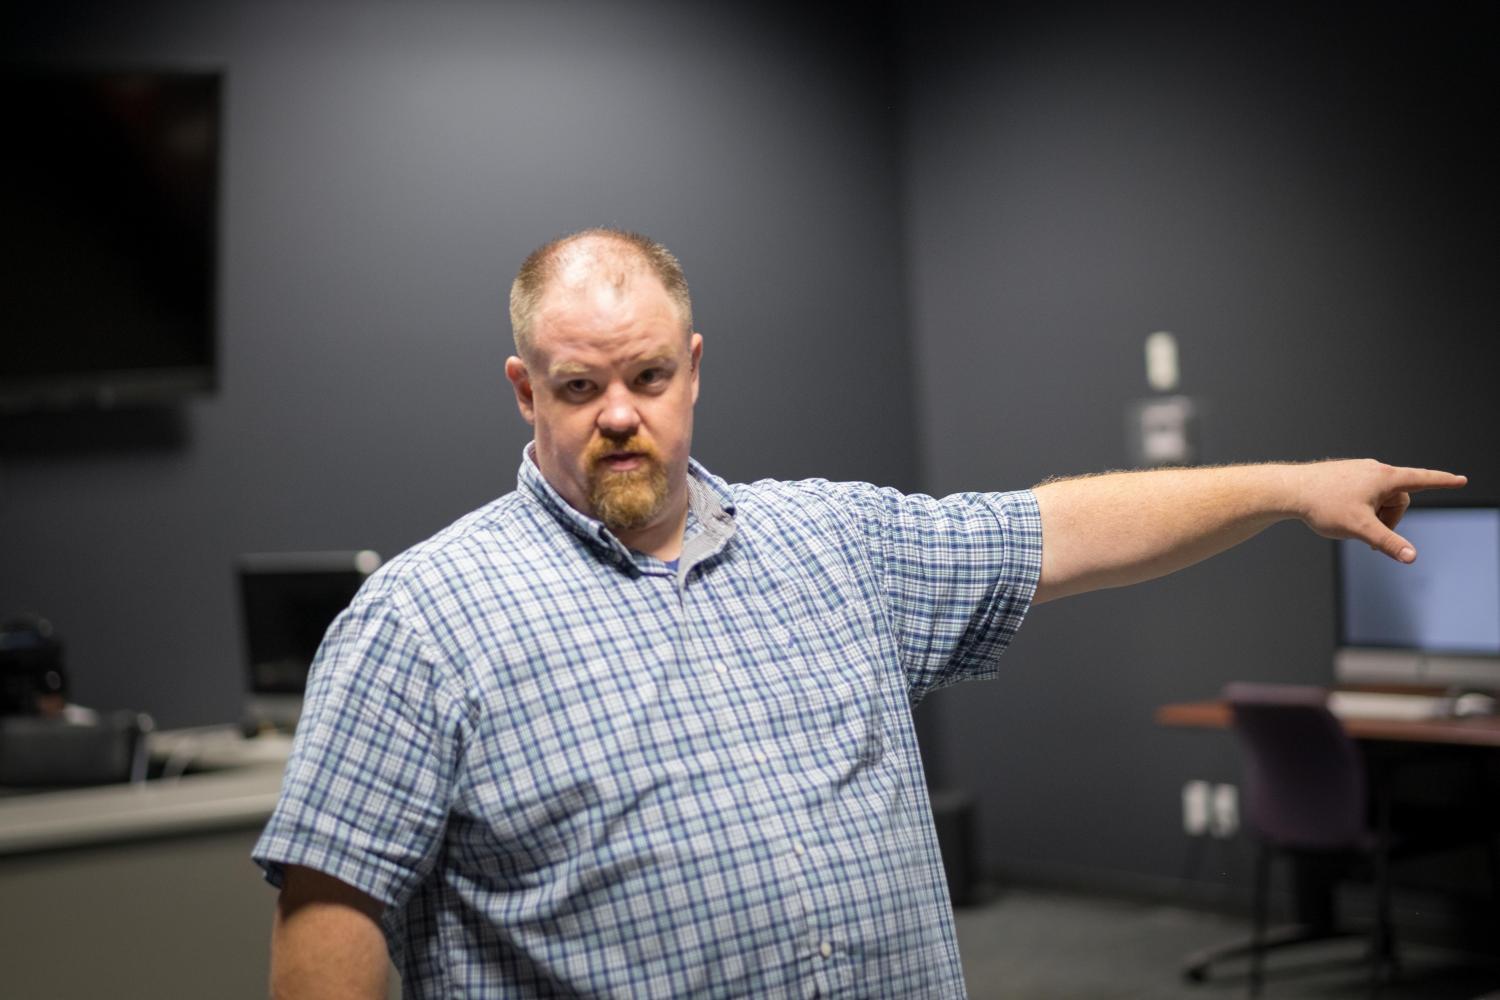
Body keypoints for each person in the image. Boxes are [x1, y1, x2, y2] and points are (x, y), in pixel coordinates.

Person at [254, 228, 1465, 998]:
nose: (619, 412)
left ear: (693, 364)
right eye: (580, 386)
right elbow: (333, 914)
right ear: (526, 391)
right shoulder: (420, 619)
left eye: (649, 376)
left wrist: (1293, 488)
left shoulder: (834, 543)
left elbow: (1064, 530)